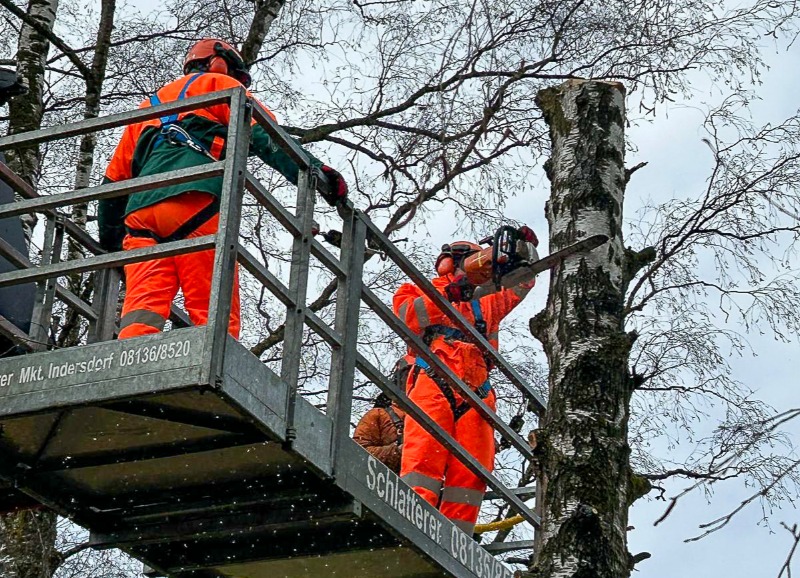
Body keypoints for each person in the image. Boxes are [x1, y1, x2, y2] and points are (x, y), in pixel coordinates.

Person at [98, 39, 348, 339]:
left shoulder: (148, 107)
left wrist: (112, 247)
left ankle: (130, 363)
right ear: (219, 62)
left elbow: (113, 183)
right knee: (212, 306)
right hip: (195, 201)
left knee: (142, 307)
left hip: (140, 216)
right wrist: (318, 172)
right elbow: (266, 137)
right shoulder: (220, 84)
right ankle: (216, 366)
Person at [392, 229, 538, 534]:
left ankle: (456, 537)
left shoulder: (488, 299)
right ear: (452, 263)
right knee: (423, 459)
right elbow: (409, 316)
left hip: (477, 390)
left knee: (474, 470)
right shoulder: (418, 289)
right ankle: (412, 526)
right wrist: (449, 294)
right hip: (434, 376)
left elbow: (525, 279)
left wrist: (522, 249)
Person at [353, 391, 406, 472]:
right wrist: (396, 451)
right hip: (389, 479)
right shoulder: (378, 414)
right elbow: (359, 453)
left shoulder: (426, 416)